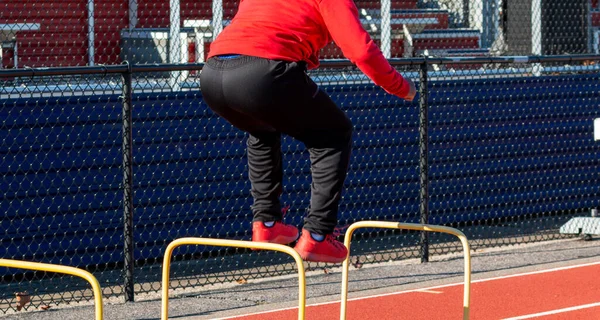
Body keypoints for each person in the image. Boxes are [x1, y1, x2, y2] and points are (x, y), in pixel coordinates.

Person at [199, 0, 417, 263]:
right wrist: (400, 86)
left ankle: (266, 224)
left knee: (261, 130)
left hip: (212, 75)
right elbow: (361, 52)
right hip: (262, 73)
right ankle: (318, 235)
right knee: (334, 133)